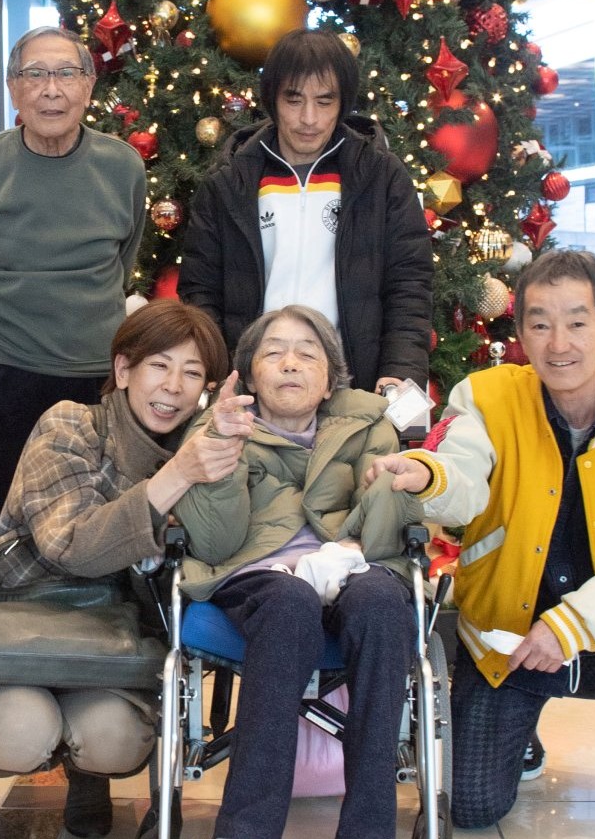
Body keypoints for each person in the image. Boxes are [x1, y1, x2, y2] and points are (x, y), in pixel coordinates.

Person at [370, 250, 595, 838]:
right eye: (539, 322)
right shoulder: (486, 398)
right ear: (521, 333)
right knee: (473, 809)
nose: (559, 342)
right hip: (509, 642)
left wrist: (573, 626)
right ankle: (518, 730)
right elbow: (463, 475)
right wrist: (429, 478)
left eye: (578, 322)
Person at [0, 300, 241, 839]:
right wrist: (174, 478)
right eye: (159, 365)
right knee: (20, 732)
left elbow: (220, 547)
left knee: (115, 738)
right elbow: (72, 545)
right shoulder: (71, 424)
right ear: (123, 369)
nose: (174, 386)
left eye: (193, 372)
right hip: (14, 617)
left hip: (112, 639)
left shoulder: (196, 449)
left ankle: (88, 775)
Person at [175, 305, 421, 839]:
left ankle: (370, 829)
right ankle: (246, 830)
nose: (290, 363)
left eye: (307, 353)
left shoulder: (368, 424)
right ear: (249, 374)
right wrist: (223, 446)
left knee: (382, 602)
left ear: (330, 377)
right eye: (273, 352)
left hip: (351, 569)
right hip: (257, 577)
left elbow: (383, 543)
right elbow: (217, 540)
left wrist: (383, 491)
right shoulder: (216, 426)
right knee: (290, 604)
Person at [0, 24, 147, 548]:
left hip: (95, 377)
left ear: (88, 86)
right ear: (13, 89)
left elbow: (122, 261)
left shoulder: (123, 166)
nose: (50, 89)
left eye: (66, 73)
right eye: (34, 74)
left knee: (92, 525)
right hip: (4, 376)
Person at [178, 27, 433, 394]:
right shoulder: (228, 183)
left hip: (353, 385)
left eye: (325, 101)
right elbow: (201, 293)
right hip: (253, 387)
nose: (309, 118)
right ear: (273, 101)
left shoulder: (381, 176)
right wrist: (221, 375)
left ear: (343, 103)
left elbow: (409, 286)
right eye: (294, 100)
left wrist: (400, 373)